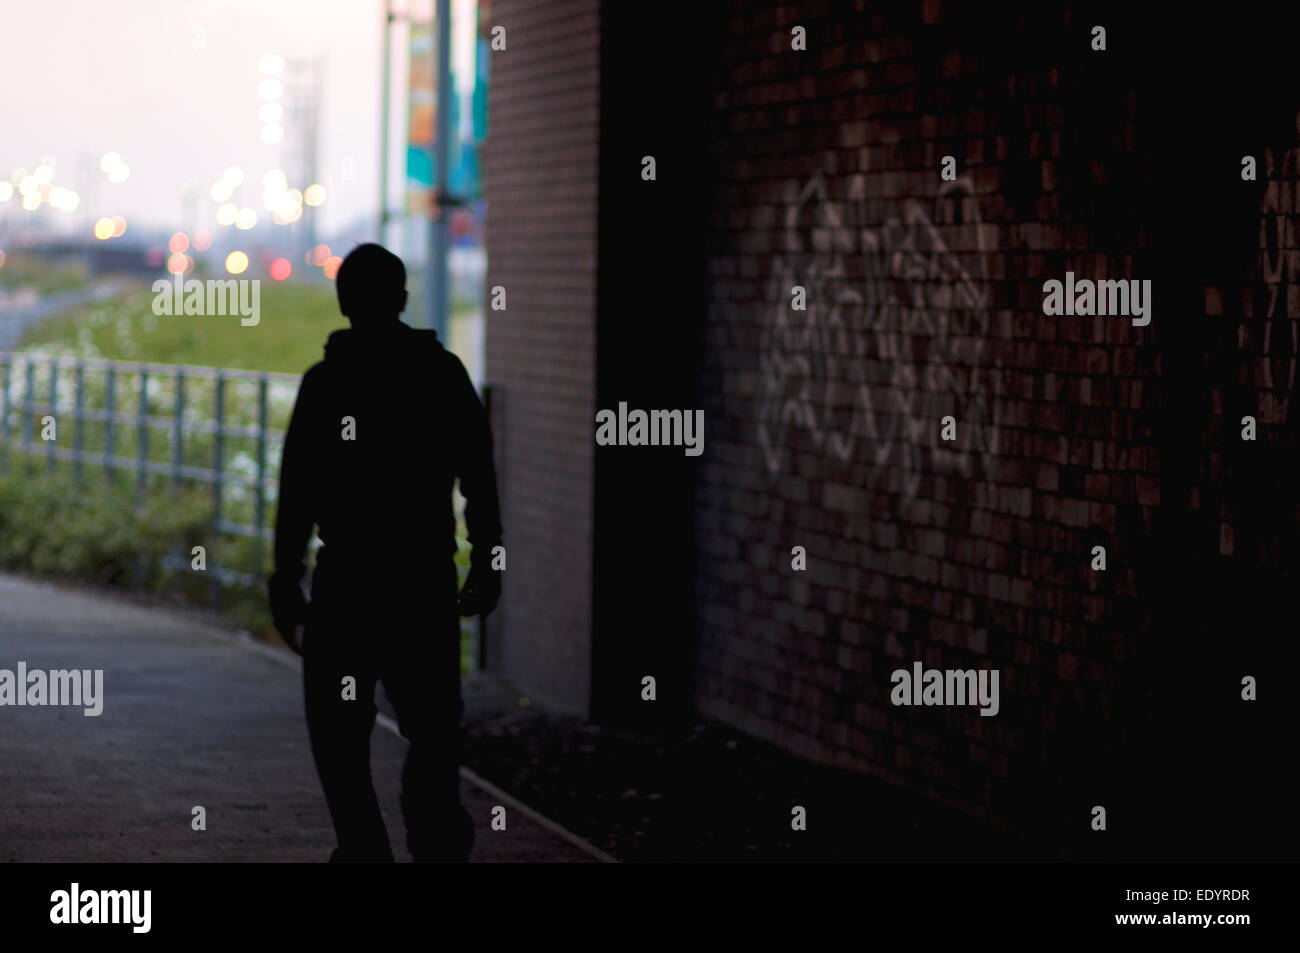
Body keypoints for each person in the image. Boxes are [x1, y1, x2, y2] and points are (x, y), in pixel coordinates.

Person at [267, 243, 502, 862]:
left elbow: (296, 492)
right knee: (432, 728)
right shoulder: (441, 373)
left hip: (346, 586)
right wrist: (486, 562)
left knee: (337, 733)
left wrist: (285, 581)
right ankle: (435, 839)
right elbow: (480, 476)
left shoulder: (325, 384)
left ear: (343, 302)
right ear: (402, 299)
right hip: (422, 583)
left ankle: (363, 850)